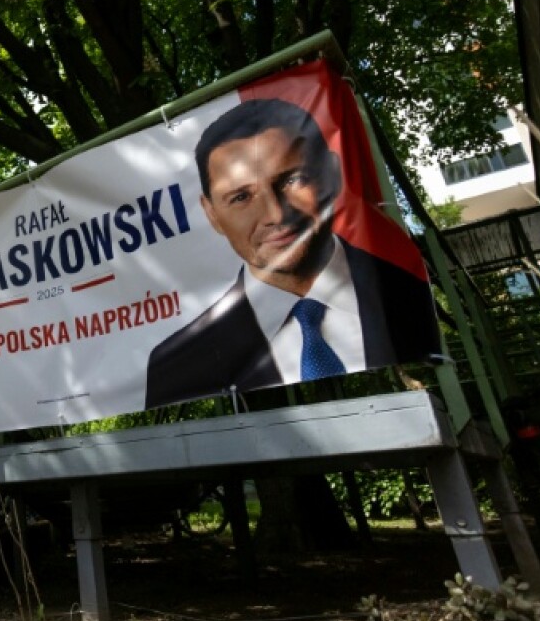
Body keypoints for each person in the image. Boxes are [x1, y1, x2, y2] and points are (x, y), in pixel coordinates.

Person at [144, 98, 440, 409]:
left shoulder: (410, 293)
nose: (275, 214)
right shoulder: (177, 363)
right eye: (241, 196)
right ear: (212, 214)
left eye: (291, 180)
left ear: (332, 173)